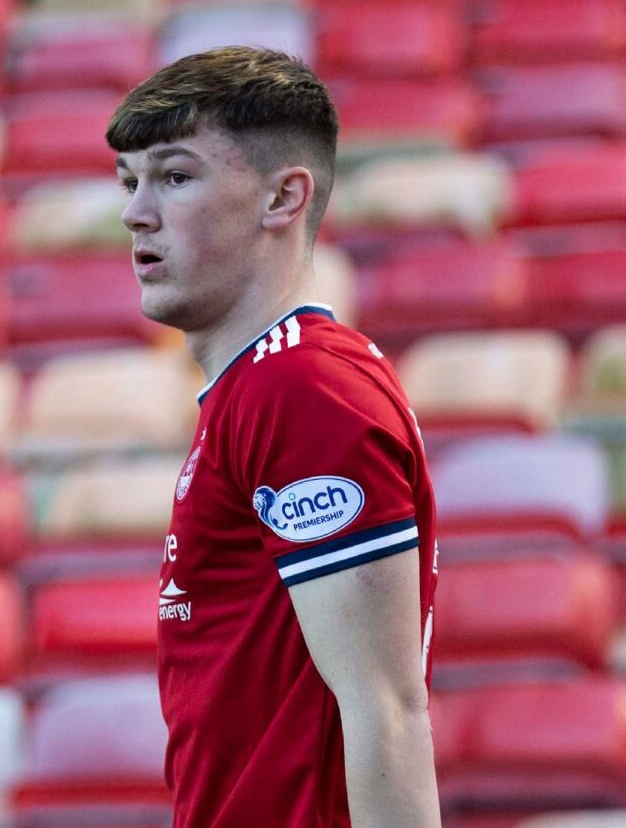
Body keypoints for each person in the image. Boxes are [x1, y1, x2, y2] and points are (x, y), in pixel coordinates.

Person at [108, 46, 441, 827]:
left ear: (282, 198)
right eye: (129, 181)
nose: (134, 211)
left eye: (175, 176)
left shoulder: (300, 389)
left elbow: (387, 708)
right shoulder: (262, 386)